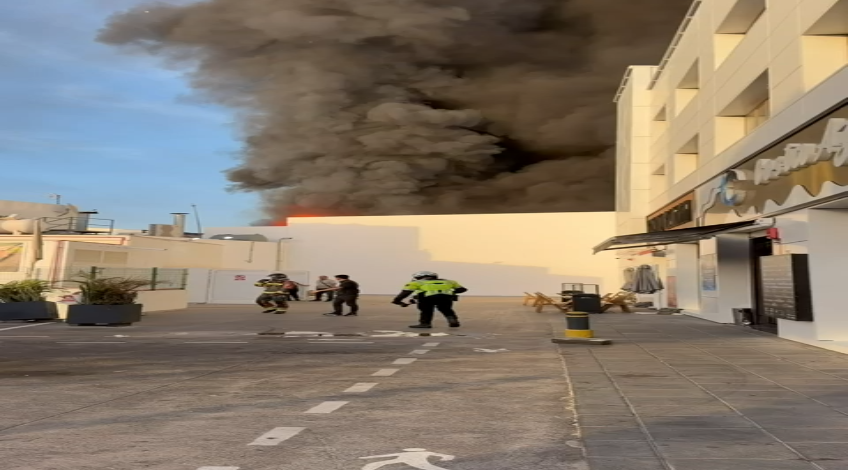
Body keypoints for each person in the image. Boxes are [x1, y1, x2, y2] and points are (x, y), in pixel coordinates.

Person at [392, 271, 467, 328]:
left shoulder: (417, 283)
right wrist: (451, 292)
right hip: (446, 298)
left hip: (427, 298)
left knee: (426, 310)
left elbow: (406, 292)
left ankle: (425, 323)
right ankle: (453, 321)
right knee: (446, 309)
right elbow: (462, 289)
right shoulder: (450, 281)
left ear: (421, 277)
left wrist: (397, 300)